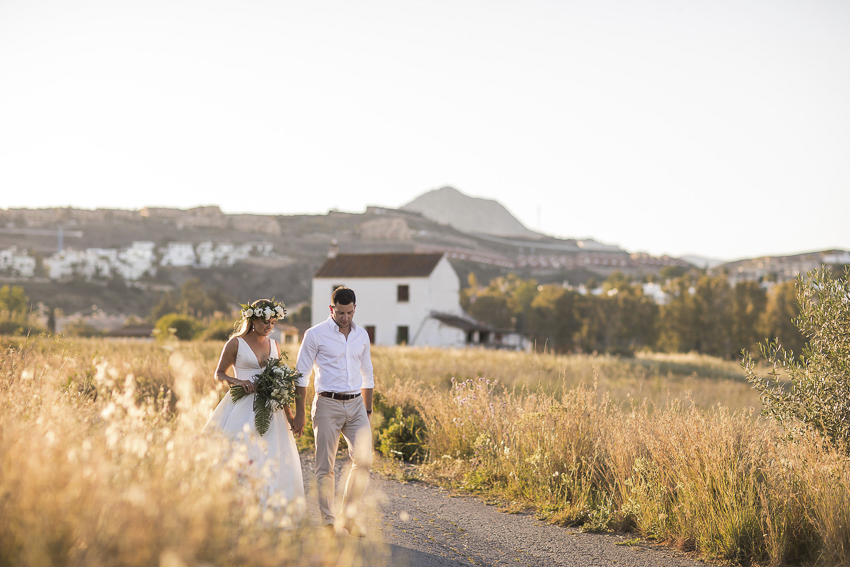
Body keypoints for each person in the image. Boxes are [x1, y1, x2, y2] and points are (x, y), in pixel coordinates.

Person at [204, 299, 305, 515]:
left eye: (273, 322)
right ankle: (235, 507)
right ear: (252, 319)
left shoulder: (275, 345)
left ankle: (269, 507)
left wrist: (290, 417)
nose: (269, 326)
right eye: (265, 321)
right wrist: (238, 382)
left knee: (272, 457)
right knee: (242, 453)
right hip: (242, 406)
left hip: (271, 410)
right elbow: (219, 373)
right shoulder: (236, 343)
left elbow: (280, 384)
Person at [293, 286, 373, 536]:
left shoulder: (362, 335)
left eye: (349, 312)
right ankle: (329, 521)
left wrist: (367, 411)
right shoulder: (314, 334)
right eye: (340, 312)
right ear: (331, 309)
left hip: (356, 404)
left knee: (364, 459)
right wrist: (301, 413)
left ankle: (348, 518)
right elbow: (301, 375)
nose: (345, 317)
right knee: (324, 466)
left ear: (355, 309)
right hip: (327, 403)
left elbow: (367, 374)